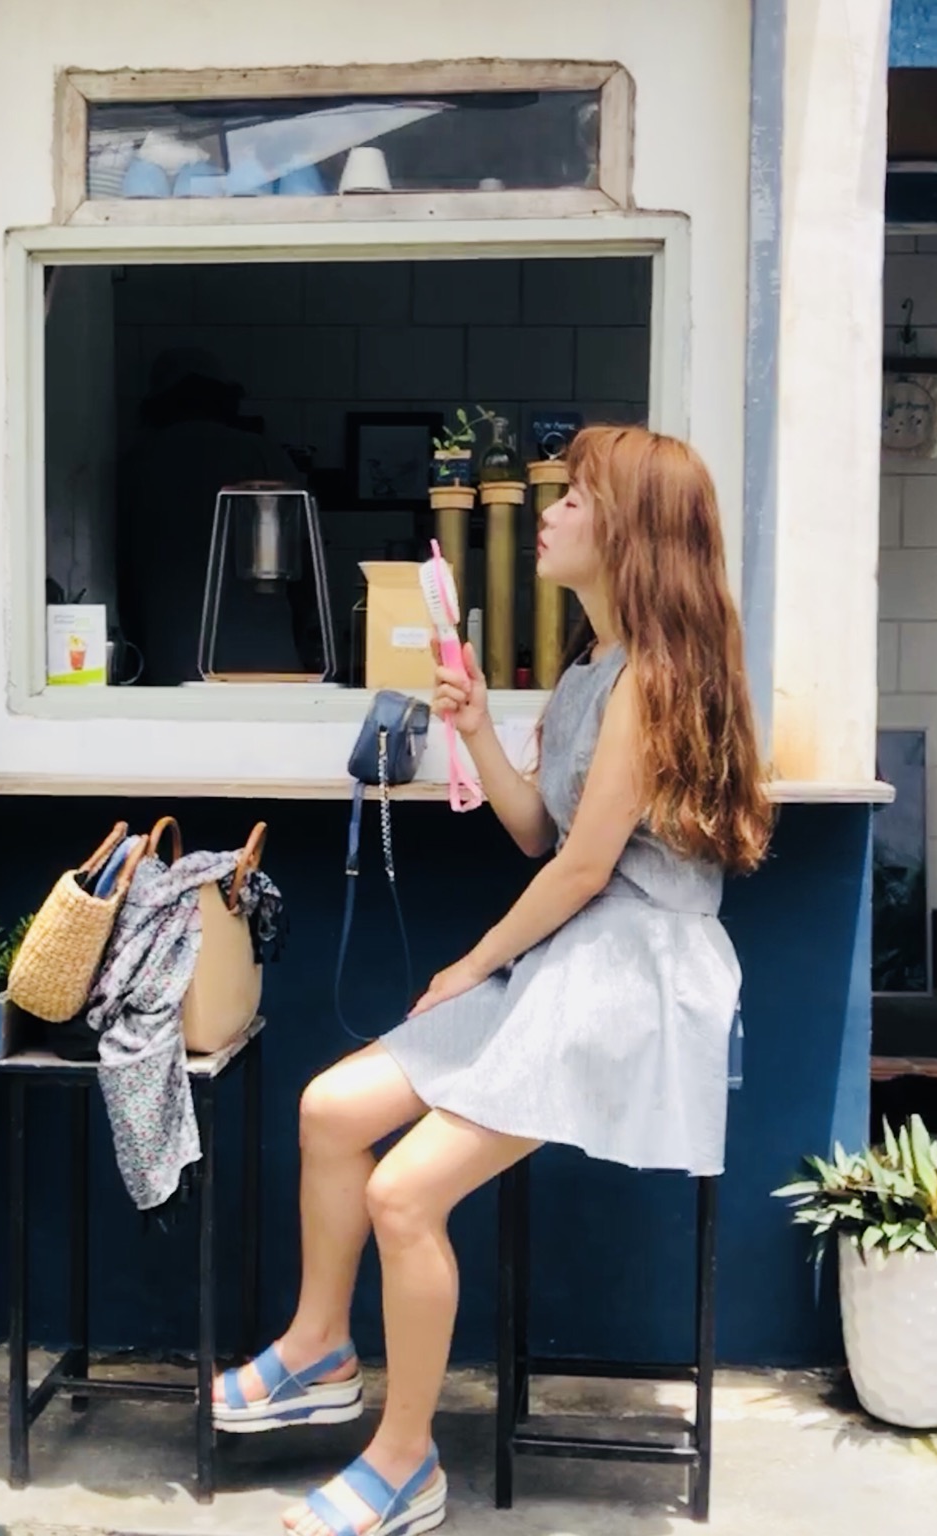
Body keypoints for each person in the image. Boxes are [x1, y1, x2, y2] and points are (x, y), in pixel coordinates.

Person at [212, 426, 774, 1536]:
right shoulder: (591, 670)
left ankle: (404, 1462)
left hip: (636, 974)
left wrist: (471, 965)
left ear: (630, 533)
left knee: (402, 1193)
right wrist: (476, 730)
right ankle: (319, 1347)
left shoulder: (653, 681)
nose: (549, 515)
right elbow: (537, 835)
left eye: (575, 501)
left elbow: (583, 869)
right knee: (330, 1111)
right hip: (572, 957)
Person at [115, 347, 320, 685]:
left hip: (172, 655)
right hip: (266, 653)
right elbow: (306, 564)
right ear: (224, 398)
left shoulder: (137, 462)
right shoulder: (261, 453)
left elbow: (120, 571)